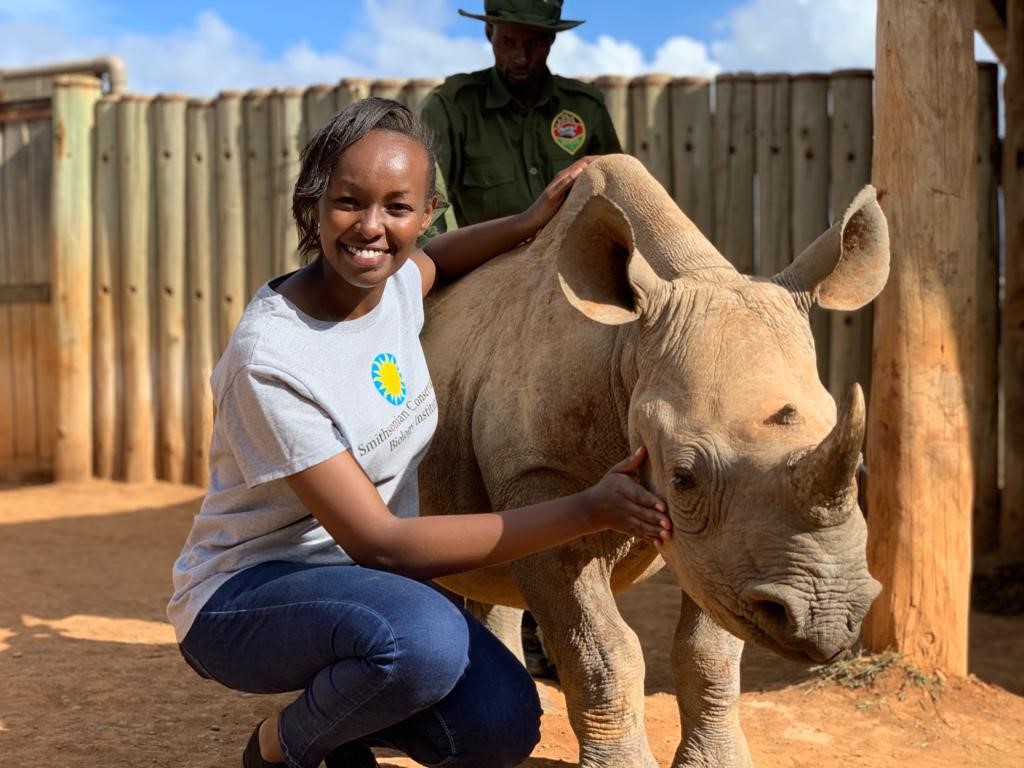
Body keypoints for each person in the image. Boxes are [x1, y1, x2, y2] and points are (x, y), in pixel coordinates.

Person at [167, 97, 670, 768]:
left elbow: (437, 261)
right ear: (312, 203)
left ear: (424, 213)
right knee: (423, 639)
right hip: (243, 598)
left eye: (397, 208)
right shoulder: (272, 359)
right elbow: (385, 544)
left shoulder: (391, 288)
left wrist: (525, 222)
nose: (372, 227)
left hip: (359, 593)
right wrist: (589, 508)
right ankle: (279, 748)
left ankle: (342, 721)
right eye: (349, 202)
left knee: (501, 724)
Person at [421, 0, 622, 232]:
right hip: (486, 263)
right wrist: (438, 264)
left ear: (550, 39)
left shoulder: (585, 108)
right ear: (489, 32)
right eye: (508, 42)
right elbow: (426, 203)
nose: (521, 58)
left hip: (574, 258)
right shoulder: (452, 107)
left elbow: (618, 194)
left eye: (535, 43)